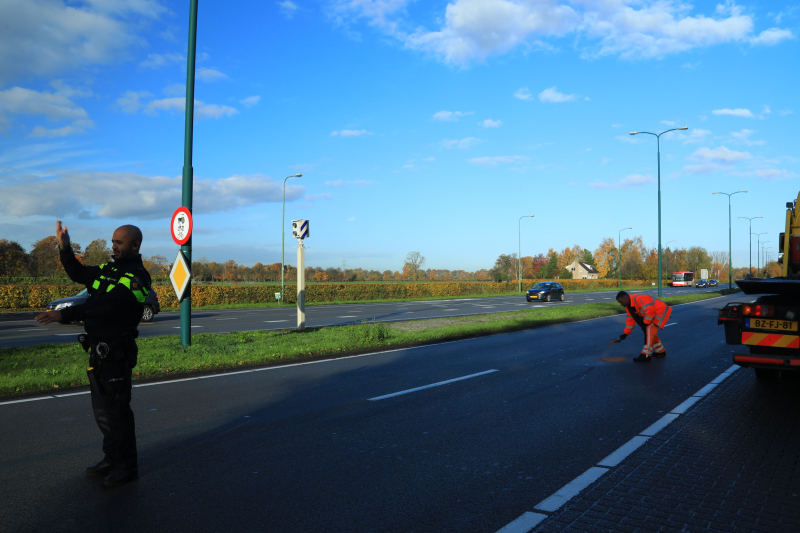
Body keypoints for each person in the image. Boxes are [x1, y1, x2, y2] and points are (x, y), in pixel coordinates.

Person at [35, 221, 151, 488]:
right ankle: (111, 459)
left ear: (135, 245)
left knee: (117, 411)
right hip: (99, 352)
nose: (113, 247)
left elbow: (105, 306)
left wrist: (63, 314)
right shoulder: (108, 269)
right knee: (103, 411)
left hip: (117, 354)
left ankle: (127, 466)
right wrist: (64, 247)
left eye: (119, 243)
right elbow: (78, 273)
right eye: (113, 242)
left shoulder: (138, 277)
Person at [607, 290, 672, 363]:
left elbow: (650, 311)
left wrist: (646, 323)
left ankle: (646, 356)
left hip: (659, 311)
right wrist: (626, 333)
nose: (621, 304)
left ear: (626, 299)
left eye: (621, 302)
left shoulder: (639, 298)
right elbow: (630, 320)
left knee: (649, 332)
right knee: (651, 333)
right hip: (651, 314)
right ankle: (660, 352)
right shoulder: (629, 307)